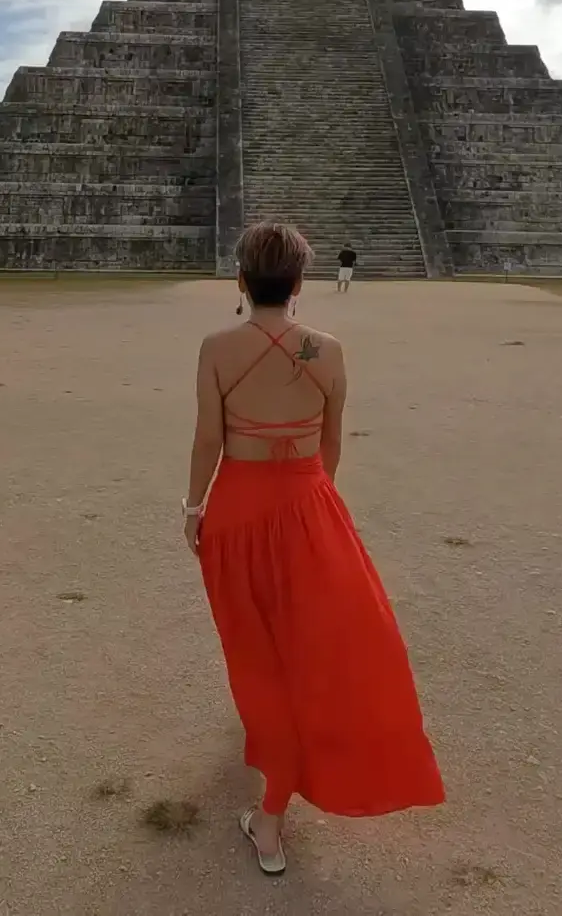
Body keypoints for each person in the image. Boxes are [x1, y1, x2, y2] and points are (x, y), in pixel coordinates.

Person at [182, 222, 444, 876]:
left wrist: (195, 508)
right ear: (300, 283)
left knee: (257, 648)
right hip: (309, 505)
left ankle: (269, 813)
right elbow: (330, 444)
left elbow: (207, 439)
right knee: (312, 643)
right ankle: (274, 786)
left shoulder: (217, 347)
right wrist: (309, 500)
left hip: (238, 509)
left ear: (241, 281)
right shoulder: (326, 350)